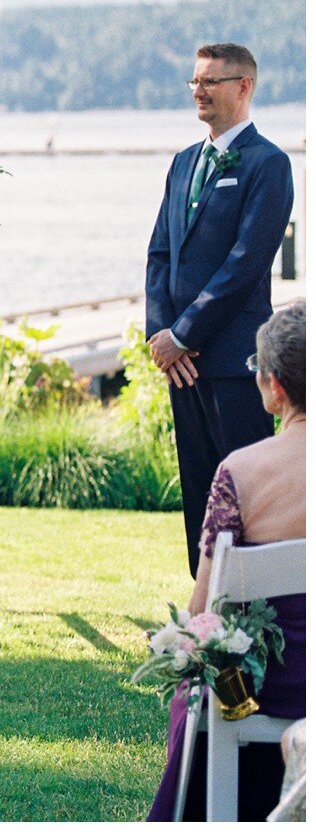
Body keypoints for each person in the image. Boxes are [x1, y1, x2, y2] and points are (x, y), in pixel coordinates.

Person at [147, 300, 305, 821]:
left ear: (273, 386)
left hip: (268, 687)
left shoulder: (240, 471)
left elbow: (203, 608)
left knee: (197, 687)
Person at [145, 43, 295, 576]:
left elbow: (245, 265)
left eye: (210, 81)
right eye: (195, 82)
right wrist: (161, 336)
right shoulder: (185, 162)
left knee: (248, 491)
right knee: (199, 489)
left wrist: (183, 334)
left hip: (236, 364)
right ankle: (204, 614)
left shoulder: (268, 164)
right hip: (182, 367)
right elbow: (160, 251)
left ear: (243, 86)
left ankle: (256, 619)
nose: (199, 92)